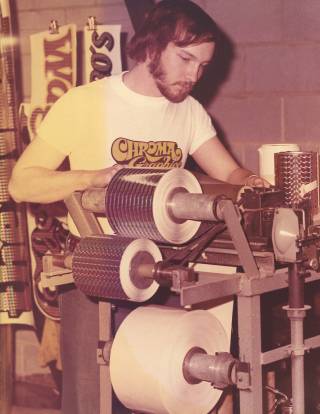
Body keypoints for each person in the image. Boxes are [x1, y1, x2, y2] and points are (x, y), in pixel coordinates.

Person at [9, 1, 267, 412]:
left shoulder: (189, 113)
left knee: (164, 393)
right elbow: (22, 183)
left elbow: (230, 174)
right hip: (96, 270)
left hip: (162, 269)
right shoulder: (85, 102)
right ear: (152, 46)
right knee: (93, 400)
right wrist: (93, 178)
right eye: (185, 58)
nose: (193, 76)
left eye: (202, 65)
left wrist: (252, 183)